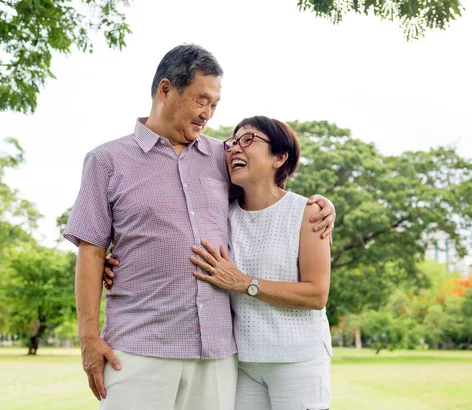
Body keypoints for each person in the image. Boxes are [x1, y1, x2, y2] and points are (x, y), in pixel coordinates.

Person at [63, 44, 335, 410]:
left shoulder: (221, 158)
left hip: (218, 354)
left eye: (215, 104)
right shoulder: (106, 160)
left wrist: (321, 204)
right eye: (201, 100)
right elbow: (91, 250)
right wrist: (88, 338)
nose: (207, 113)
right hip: (139, 347)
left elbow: (267, 190)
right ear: (165, 90)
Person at [190, 116, 332, 410]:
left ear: (280, 157)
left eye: (249, 140)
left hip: (298, 360)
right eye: (232, 143)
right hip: (241, 362)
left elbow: (317, 295)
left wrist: (245, 283)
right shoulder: (221, 215)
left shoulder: (308, 212)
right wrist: (115, 260)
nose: (234, 149)